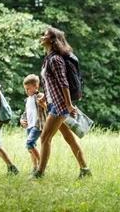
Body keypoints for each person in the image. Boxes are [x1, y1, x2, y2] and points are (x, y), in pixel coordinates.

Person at [31, 26, 92, 179]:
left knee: (45, 138)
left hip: (60, 105)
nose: (41, 36)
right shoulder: (48, 58)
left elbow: (63, 83)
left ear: (52, 40)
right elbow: (53, 83)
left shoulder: (56, 59)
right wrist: (46, 95)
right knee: (69, 137)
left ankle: (40, 173)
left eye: (44, 35)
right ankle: (85, 170)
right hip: (55, 102)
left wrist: (69, 104)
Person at [20, 74, 47, 174]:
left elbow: (47, 108)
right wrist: (21, 120)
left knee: (29, 143)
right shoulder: (28, 99)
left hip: (38, 124)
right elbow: (26, 113)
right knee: (31, 147)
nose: (27, 91)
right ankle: (35, 167)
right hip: (29, 126)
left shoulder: (40, 96)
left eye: (28, 89)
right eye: (25, 89)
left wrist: (43, 104)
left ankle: (42, 164)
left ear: (36, 87)